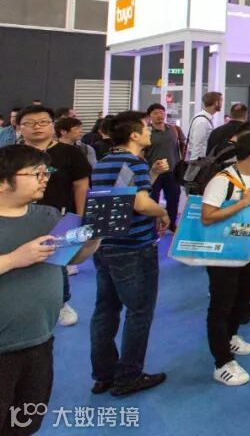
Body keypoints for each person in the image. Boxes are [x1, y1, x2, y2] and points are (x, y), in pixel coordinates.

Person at [0, 144, 99, 434]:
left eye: (47, 172)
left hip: (40, 341)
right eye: (36, 173)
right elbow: (18, 259)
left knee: (25, 423)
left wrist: (93, 239)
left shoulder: (47, 216)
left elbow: (72, 257)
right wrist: (14, 259)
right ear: (3, 181)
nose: (45, 179)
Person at [89, 111, 171, 397]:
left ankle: (104, 374)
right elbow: (140, 204)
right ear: (134, 135)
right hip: (134, 247)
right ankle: (129, 376)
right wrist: (162, 212)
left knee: (105, 310)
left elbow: (123, 193)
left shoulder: (105, 162)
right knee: (139, 311)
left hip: (105, 244)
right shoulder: (134, 162)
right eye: (145, 128)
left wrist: (152, 175)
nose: (150, 132)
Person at [201, 131, 250, 386]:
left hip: (249, 247)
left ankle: (230, 336)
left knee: (244, 296)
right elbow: (207, 216)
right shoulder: (222, 180)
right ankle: (222, 362)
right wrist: (242, 203)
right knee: (221, 303)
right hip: (224, 251)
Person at [18, 105, 91, 328]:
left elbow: (81, 186)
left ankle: (61, 303)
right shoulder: (11, 154)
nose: (37, 127)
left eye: (43, 122)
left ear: (53, 125)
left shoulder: (70, 153)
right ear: (20, 128)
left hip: (59, 217)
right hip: (19, 216)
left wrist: (80, 216)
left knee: (57, 262)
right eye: (29, 123)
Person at [145, 104, 184, 230]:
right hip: (153, 173)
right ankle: (152, 226)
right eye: (156, 113)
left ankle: (171, 223)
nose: (159, 115)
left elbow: (182, 146)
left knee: (173, 199)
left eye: (162, 112)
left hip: (172, 171)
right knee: (152, 200)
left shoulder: (174, 129)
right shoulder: (146, 132)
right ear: (150, 116)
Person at [187, 92, 222, 161]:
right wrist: (195, 164)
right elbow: (197, 144)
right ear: (216, 103)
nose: (221, 104)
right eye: (221, 101)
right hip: (199, 161)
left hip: (202, 160)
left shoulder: (205, 119)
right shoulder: (202, 121)